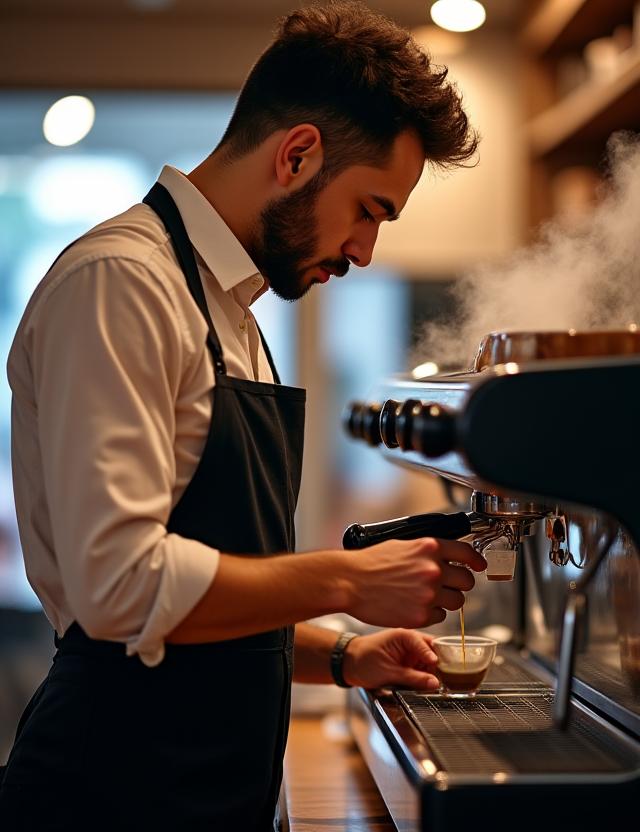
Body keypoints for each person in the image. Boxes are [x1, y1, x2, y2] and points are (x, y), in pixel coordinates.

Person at [0, 2, 484, 829]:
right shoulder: (121, 283)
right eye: (370, 209)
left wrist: (343, 653)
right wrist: (349, 577)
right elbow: (122, 591)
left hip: (208, 792)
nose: (366, 251)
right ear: (298, 154)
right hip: (110, 795)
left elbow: (206, 600)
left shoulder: (235, 316)